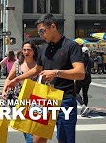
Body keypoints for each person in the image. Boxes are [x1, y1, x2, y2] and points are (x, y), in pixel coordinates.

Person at [8, 14, 85, 143]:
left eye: (42, 31)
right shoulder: (44, 49)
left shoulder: (71, 46)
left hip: (64, 98)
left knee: (65, 140)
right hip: (43, 98)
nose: (40, 34)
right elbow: (37, 69)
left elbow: (80, 72)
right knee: (37, 139)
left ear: (53, 26)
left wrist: (56, 73)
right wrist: (17, 79)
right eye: (39, 32)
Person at [2, 41, 40, 143]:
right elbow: (9, 78)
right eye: (24, 50)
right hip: (19, 99)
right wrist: (4, 91)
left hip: (35, 99)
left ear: (34, 51)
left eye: (29, 50)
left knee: (34, 127)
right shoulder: (17, 64)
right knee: (25, 127)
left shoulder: (39, 64)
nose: (26, 52)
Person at [75, 47, 94, 117]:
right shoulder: (91, 60)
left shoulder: (80, 60)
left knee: (75, 92)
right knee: (85, 93)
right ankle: (85, 108)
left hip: (80, 77)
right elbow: (91, 67)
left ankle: (83, 105)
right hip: (88, 78)